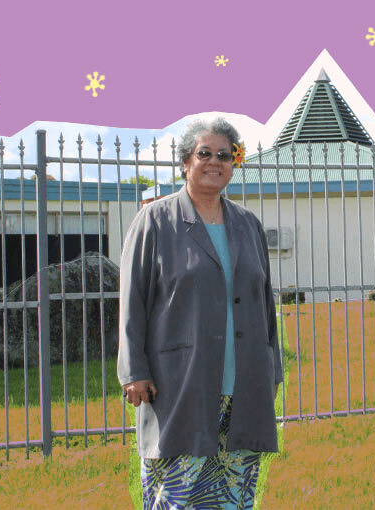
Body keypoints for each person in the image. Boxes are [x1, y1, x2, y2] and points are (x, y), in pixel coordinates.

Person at [118, 118, 282, 510]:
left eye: (224, 155)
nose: (215, 161)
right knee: (177, 490)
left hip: (244, 383)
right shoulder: (155, 221)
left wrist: (271, 368)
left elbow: (265, 304)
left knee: (236, 488)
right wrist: (133, 370)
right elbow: (132, 300)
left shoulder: (248, 224)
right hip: (180, 382)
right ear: (185, 162)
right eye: (204, 153)